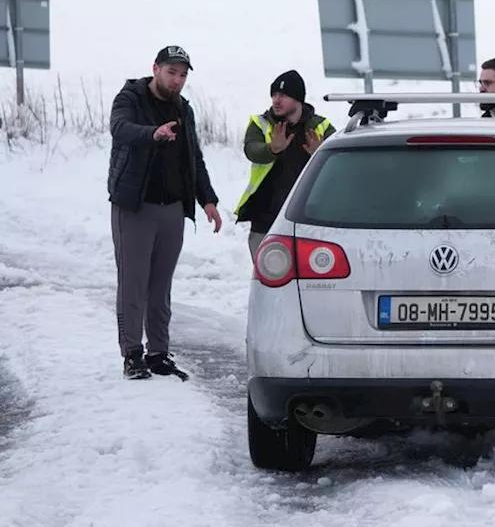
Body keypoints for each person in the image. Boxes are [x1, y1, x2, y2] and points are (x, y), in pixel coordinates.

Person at [107, 45, 222, 380]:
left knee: (161, 286)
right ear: (155, 69)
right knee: (133, 283)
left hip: (172, 208)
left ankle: (158, 353)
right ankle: (132, 355)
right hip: (135, 206)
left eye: (183, 74)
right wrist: (152, 134)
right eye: (172, 72)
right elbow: (120, 128)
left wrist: (208, 200)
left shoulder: (183, 108)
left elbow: (193, 158)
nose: (177, 80)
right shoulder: (130, 97)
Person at [234, 70, 335, 257]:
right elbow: (251, 150)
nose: (276, 100)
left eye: (283, 95)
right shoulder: (260, 123)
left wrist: (320, 155)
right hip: (265, 217)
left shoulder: (321, 127)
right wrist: (272, 149)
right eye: (274, 95)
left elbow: (338, 166)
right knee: (268, 278)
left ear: (298, 99)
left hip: (308, 218)